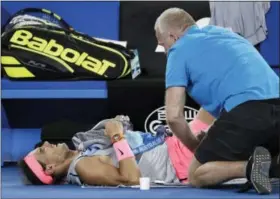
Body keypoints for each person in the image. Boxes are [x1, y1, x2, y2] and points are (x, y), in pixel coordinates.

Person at [154, 7, 279, 194]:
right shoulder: (226, 34)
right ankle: (272, 167)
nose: (165, 52)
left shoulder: (178, 50)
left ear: (173, 37)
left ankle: (249, 168)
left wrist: (198, 148)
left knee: (196, 174)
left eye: (163, 45)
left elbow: (173, 117)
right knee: (269, 150)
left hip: (247, 112)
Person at [18, 113, 214, 186]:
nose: (44, 145)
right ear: (50, 168)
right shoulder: (83, 166)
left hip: (174, 143)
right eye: (42, 152)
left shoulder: (83, 148)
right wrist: (117, 137)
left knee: (218, 97)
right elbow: (131, 179)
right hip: (177, 159)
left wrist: (120, 126)